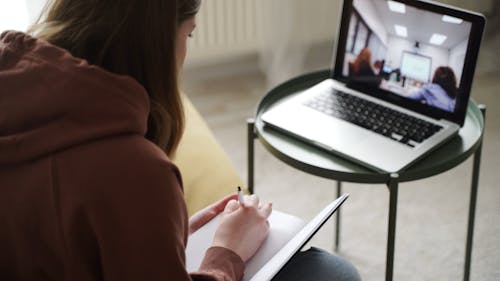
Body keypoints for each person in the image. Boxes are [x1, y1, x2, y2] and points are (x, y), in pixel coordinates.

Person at [0, 0, 361, 280]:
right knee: (331, 273)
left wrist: (168, 230)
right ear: (154, 40)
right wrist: (227, 253)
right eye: (188, 34)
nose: (185, 53)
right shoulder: (134, 169)